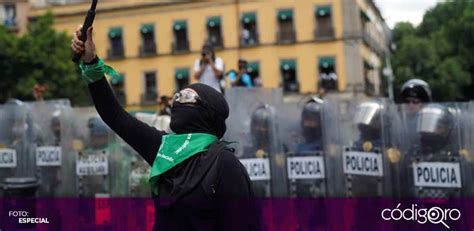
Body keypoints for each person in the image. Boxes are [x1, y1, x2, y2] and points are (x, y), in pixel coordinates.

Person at [71, 25, 258, 231]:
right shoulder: (164, 148)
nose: (176, 100)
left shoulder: (224, 163)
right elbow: (114, 115)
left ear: (208, 112)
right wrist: (90, 60)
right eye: (176, 96)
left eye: (186, 97)